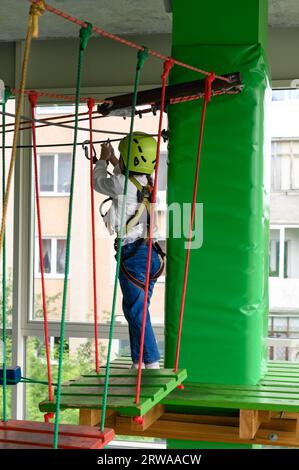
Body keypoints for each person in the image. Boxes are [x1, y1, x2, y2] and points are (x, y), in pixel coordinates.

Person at [93, 132, 164, 369]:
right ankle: (138, 361)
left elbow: (99, 182)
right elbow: (126, 178)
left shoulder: (121, 183)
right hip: (152, 256)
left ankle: (152, 361)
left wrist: (103, 160)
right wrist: (115, 160)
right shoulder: (148, 181)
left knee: (135, 313)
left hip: (133, 255)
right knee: (137, 311)